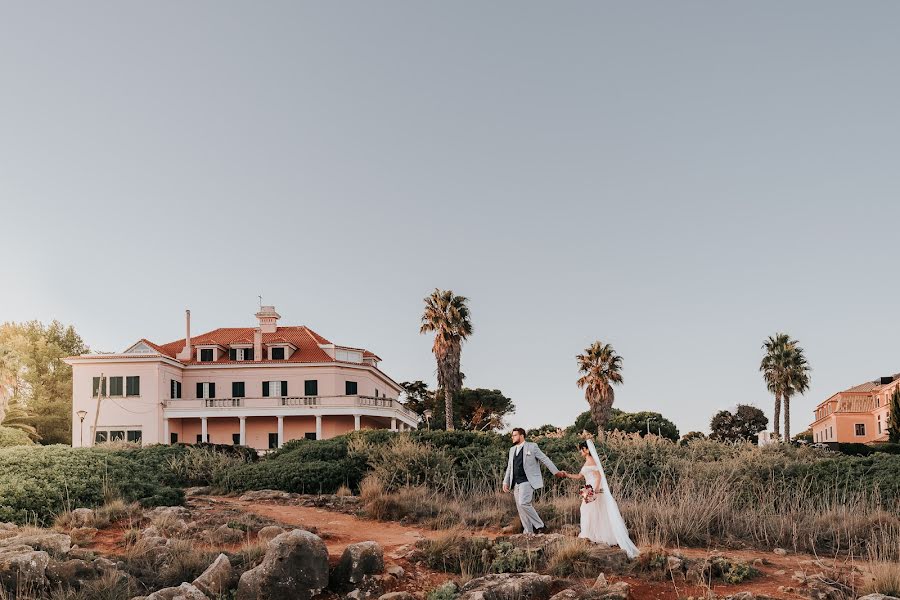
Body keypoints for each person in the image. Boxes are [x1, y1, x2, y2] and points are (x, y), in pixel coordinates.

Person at [563, 439, 640, 558]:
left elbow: (598, 476)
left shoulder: (592, 460)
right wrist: (566, 474)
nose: (580, 452)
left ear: (587, 450)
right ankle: (591, 534)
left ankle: (593, 535)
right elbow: (579, 476)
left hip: (594, 488)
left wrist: (596, 489)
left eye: (582, 450)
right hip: (589, 488)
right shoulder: (586, 462)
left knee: (591, 510)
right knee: (589, 510)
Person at [502, 427, 566, 534]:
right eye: (512, 435)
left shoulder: (532, 446)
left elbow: (544, 459)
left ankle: (540, 525)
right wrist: (506, 481)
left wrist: (555, 471)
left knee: (524, 503)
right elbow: (510, 467)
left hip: (527, 481)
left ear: (521, 436)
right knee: (521, 508)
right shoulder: (512, 450)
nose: (512, 437)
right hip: (516, 482)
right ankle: (528, 531)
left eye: (515, 435)